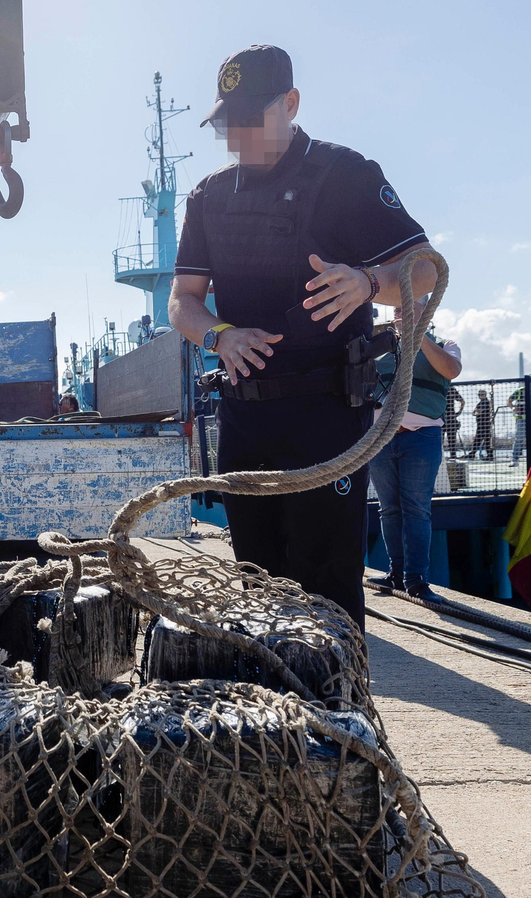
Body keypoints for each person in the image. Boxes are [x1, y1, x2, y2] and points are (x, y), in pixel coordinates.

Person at [169, 46, 439, 629]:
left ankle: (339, 714)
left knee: (326, 590)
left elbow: (426, 271)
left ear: (290, 104)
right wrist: (220, 336)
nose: (236, 134)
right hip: (245, 421)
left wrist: (369, 282)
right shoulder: (208, 198)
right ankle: (271, 712)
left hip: (328, 417)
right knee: (255, 592)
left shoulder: (346, 175)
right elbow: (182, 303)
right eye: (226, 122)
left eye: (249, 118)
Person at [368, 323, 463, 601]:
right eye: (397, 307)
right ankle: (396, 574)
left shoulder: (445, 343)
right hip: (380, 438)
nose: (400, 311)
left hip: (421, 437)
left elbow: (451, 370)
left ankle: (417, 579)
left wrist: (417, 332)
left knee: (416, 510)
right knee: (389, 509)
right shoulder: (378, 343)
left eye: (406, 305)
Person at [507, 384, 531, 469]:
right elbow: (509, 400)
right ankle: (514, 459)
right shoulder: (520, 391)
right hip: (522, 418)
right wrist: (513, 408)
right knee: (519, 438)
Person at [442, 385, 465, 458]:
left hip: (445, 418)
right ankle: (451, 457)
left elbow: (462, 401)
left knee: (447, 441)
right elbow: (462, 401)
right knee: (450, 442)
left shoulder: (449, 388)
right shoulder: (451, 389)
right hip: (446, 418)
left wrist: (459, 412)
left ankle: (450, 458)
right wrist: (459, 412)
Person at [470, 389, 494, 460]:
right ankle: (472, 453)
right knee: (478, 440)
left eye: (482, 394)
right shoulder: (480, 403)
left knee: (486, 441)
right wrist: (476, 412)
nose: (480, 396)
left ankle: (489, 455)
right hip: (480, 424)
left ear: (485, 395)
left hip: (485, 424)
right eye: (479, 395)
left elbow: (478, 411)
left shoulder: (485, 402)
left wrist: (477, 412)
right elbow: (474, 412)